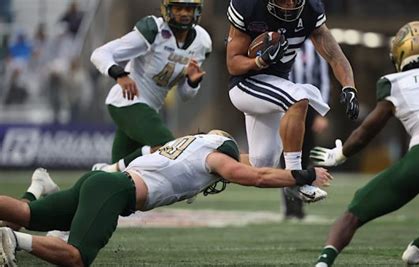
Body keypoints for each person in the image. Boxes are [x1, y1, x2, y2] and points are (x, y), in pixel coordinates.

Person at [0, 130, 333, 267]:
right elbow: (255, 176)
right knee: (77, 257)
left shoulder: (193, 144)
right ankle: (13, 240)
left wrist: (297, 169)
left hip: (103, 181)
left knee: (26, 211)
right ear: (224, 151)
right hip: (115, 192)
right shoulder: (214, 159)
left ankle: (17, 229)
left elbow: (256, 164)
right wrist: (304, 176)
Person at [310, 21, 419, 267]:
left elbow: (368, 130)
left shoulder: (395, 82)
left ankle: (324, 262)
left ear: (400, 52)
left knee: (355, 212)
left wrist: (341, 154)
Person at [225, 0, 359, 202]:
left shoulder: (311, 10)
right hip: (246, 84)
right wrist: (258, 61)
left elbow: (335, 56)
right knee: (298, 98)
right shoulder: (249, 6)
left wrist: (349, 86)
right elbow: (233, 64)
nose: (289, 4)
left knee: (261, 165)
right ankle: (296, 179)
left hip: (276, 85)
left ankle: (206, 159)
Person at [90, 0, 211, 168]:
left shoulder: (202, 42)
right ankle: (109, 170)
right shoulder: (155, 30)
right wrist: (120, 75)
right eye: (178, 8)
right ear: (167, 9)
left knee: (120, 179)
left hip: (150, 108)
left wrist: (192, 82)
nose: (184, 13)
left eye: (189, 9)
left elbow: (185, 95)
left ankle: (99, 175)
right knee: (168, 147)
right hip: (127, 101)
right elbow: (100, 54)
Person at [283, 40, 331, 219]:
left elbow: (324, 80)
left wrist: (321, 113)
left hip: (309, 105)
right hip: (286, 103)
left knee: (304, 154)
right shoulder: (283, 44)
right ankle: (290, 207)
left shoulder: (316, 47)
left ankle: (300, 202)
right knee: (286, 155)